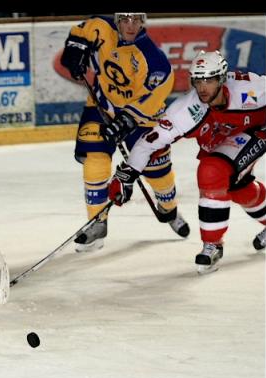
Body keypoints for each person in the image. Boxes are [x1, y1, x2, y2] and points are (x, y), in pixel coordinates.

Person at [108, 50, 266, 274]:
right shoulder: (187, 110)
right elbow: (149, 142)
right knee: (238, 188)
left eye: (209, 80)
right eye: (198, 80)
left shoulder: (250, 89)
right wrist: (125, 176)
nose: (202, 87)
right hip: (228, 141)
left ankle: (212, 245)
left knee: (212, 171)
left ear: (222, 79)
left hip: (259, 130)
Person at [60, 12, 189, 251]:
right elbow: (80, 32)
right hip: (101, 107)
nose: (130, 26)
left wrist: (125, 122)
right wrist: (74, 50)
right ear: (117, 20)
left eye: (136, 20)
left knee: (157, 173)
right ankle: (97, 223)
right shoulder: (100, 27)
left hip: (141, 118)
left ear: (143, 22)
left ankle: (169, 209)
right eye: (125, 20)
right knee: (95, 160)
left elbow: (151, 101)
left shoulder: (155, 61)